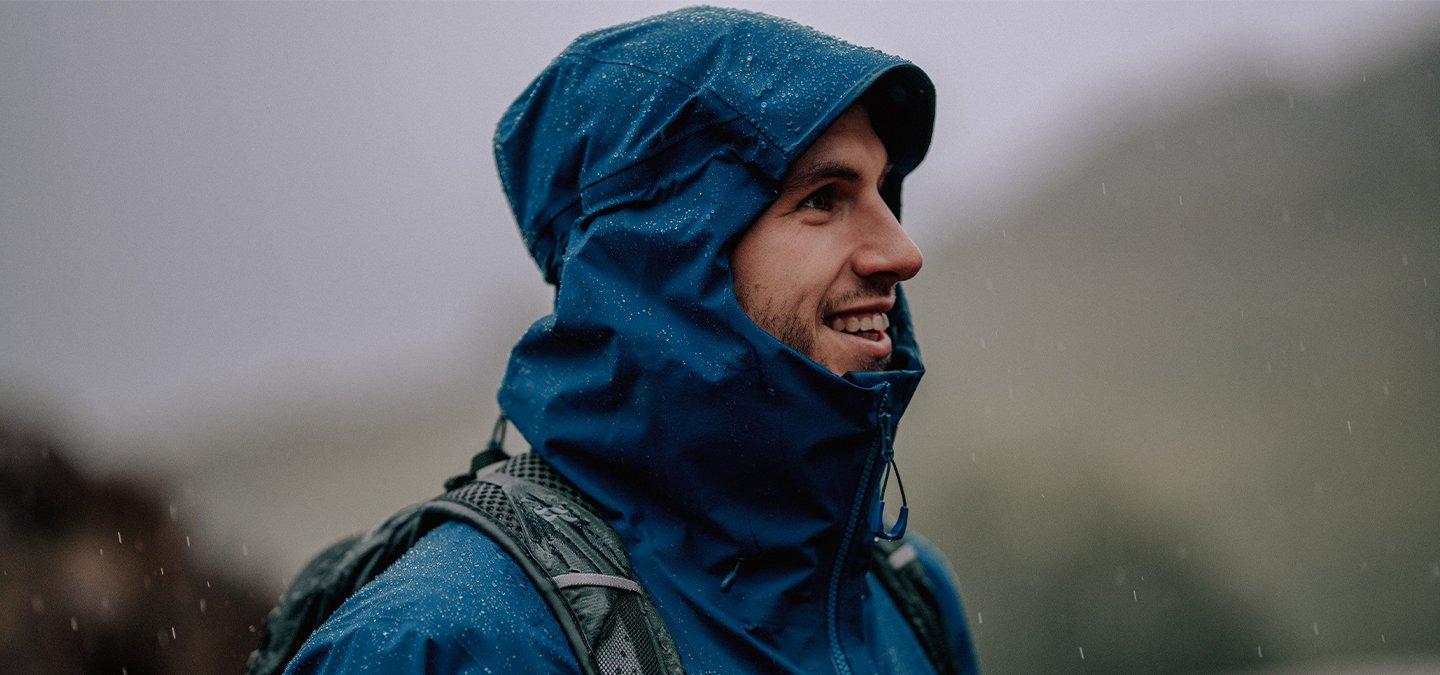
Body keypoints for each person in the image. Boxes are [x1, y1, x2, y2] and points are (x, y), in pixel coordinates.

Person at [286, 7, 978, 674]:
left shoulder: (905, 599)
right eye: (823, 197)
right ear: (668, 255)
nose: (901, 249)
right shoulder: (441, 646)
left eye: (886, 189)